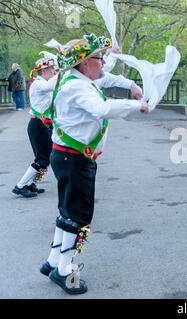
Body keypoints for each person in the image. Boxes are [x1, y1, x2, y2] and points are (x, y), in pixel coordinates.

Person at [39, 33, 149, 294]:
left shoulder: (72, 78)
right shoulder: (78, 86)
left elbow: (106, 78)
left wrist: (130, 85)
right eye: (99, 58)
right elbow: (102, 109)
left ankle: (53, 261)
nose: (103, 62)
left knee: (67, 211)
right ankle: (65, 270)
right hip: (75, 159)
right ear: (84, 63)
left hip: (68, 156)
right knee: (79, 217)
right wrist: (137, 106)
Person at [11, 57, 58, 198]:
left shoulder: (43, 83)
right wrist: (64, 72)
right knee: (43, 158)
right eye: (52, 70)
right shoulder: (39, 84)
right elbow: (52, 86)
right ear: (43, 71)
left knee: (45, 157)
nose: (55, 72)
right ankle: (20, 185)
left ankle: (30, 183)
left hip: (43, 124)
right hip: (38, 125)